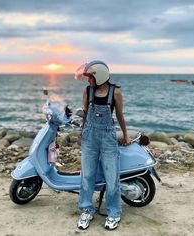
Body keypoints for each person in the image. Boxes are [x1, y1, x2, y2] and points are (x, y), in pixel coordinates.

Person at [74, 60, 130, 230]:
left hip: (108, 138)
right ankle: (86, 209)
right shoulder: (87, 91)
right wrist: (81, 133)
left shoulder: (116, 92)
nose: (87, 80)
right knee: (87, 176)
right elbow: (85, 114)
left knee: (112, 177)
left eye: (90, 77)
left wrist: (125, 135)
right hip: (89, 137)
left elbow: (119, 115)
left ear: (99, 76)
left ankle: (114, 213)